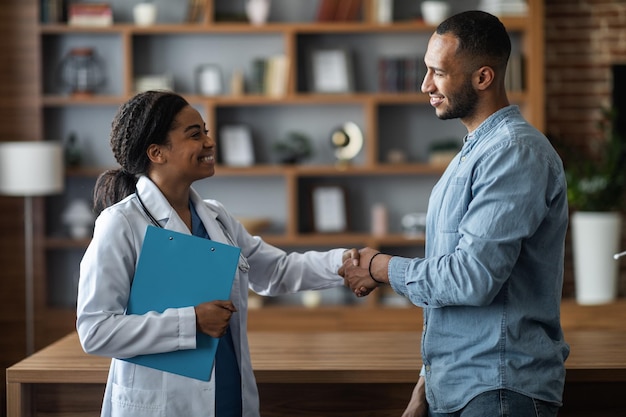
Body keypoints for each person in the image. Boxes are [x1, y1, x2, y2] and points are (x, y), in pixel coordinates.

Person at [341, 10, 570, 417]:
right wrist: (426, 384)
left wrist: (379, 267)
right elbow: (453, 291)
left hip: (499, 390)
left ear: (483, 77)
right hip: (464, 387)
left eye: (438, 73)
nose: (425, 85)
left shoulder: (514, 153)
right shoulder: (474, 153)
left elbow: (471, 278)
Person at [76, 90, 355, 417]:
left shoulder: (216, 217)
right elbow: (95, 331)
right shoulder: (121, 223)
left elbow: (276, 270)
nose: (209, 142)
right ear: (157, 152)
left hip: (227, 398)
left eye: (206, 131)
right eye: (195, 134)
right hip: (163, 407)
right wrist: (191, 321)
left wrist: (346, 263)